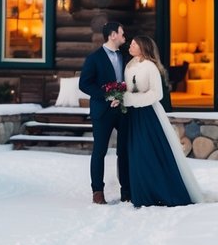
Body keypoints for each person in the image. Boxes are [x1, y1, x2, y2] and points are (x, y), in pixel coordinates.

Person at [122, 34, 202, 207]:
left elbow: (157, 94)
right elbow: (127, 88)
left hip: (148, 115)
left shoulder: (151, 67)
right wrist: (121, 97)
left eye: (134, 44)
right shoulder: (129, 65)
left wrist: (133, 100)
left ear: (143, 48)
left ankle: (161, 191)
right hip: (133, 116)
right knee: (136, 154)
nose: (130, 46)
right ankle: (142, 194)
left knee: (150, 152)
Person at [78, 20, 131, 205]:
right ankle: (97, 192)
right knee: (99, 151)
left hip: (124, 110)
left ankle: (127, 191)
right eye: (122, 32)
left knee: (124, 152)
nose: (124, 36)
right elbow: (84, 83)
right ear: (113, 35)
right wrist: (106, 95)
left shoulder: (125, 56)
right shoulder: (94, 58)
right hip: (102, 111)